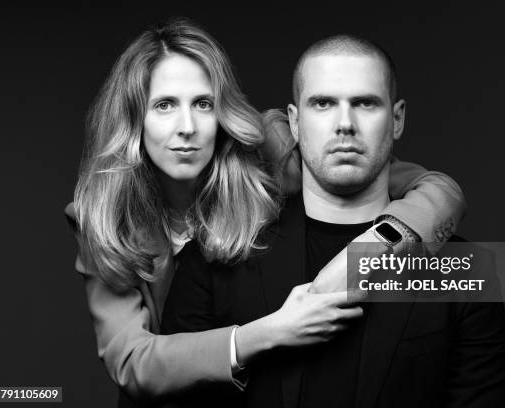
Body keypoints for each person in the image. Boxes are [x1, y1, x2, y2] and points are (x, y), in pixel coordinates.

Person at [66, 18, 467, 406]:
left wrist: (368, 255)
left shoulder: (267, 151)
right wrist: (270, 331)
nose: (187, 126)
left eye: (203, 104)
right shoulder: (103, 220)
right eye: (165, 105)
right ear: (136, 119)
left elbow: (438, 191)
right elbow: (134, 363)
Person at [162, 34, 505, 407]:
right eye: (324, 103)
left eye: (364, 103)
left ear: (397, 119)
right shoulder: (216, 256)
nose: (345, 124)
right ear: (294, 122)